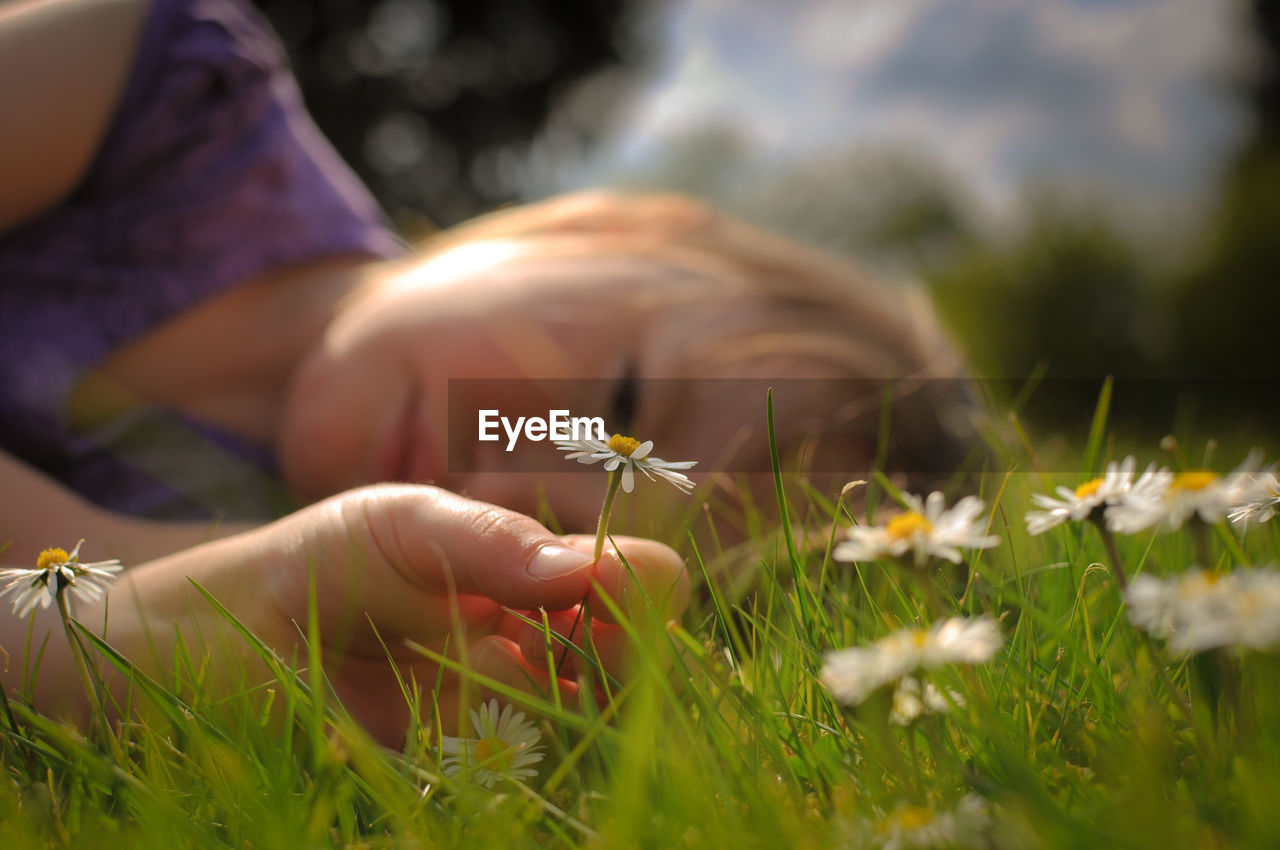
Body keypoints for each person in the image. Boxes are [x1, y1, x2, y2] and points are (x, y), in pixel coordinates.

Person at [0, 0, 975, 743]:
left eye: (553, 541)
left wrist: (173, 614)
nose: (512, 483)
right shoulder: (161, 90)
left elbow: (59, 624)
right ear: (608, 223)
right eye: (618, 410)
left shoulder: (289, 597)